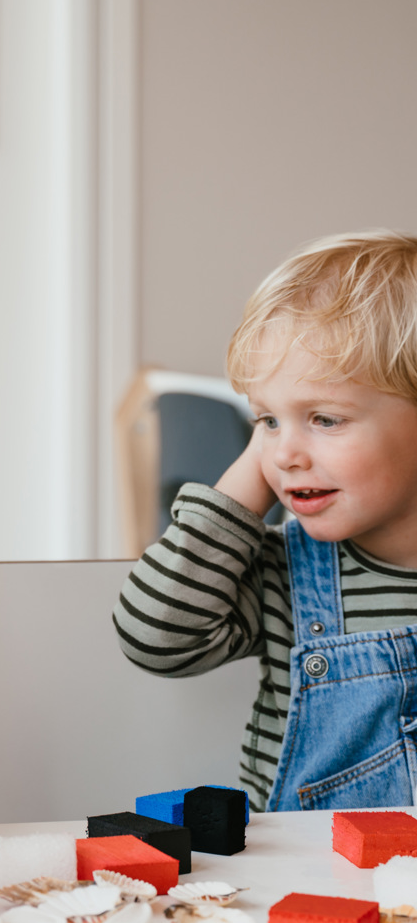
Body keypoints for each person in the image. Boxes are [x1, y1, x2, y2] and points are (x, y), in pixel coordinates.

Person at [114, 231, 417, 813]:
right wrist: (257, 464)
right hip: (306, 887)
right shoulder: (288, 576)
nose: (284, 455)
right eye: (266, 420)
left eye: (325, 419)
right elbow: (154, 637)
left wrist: (282, 423)